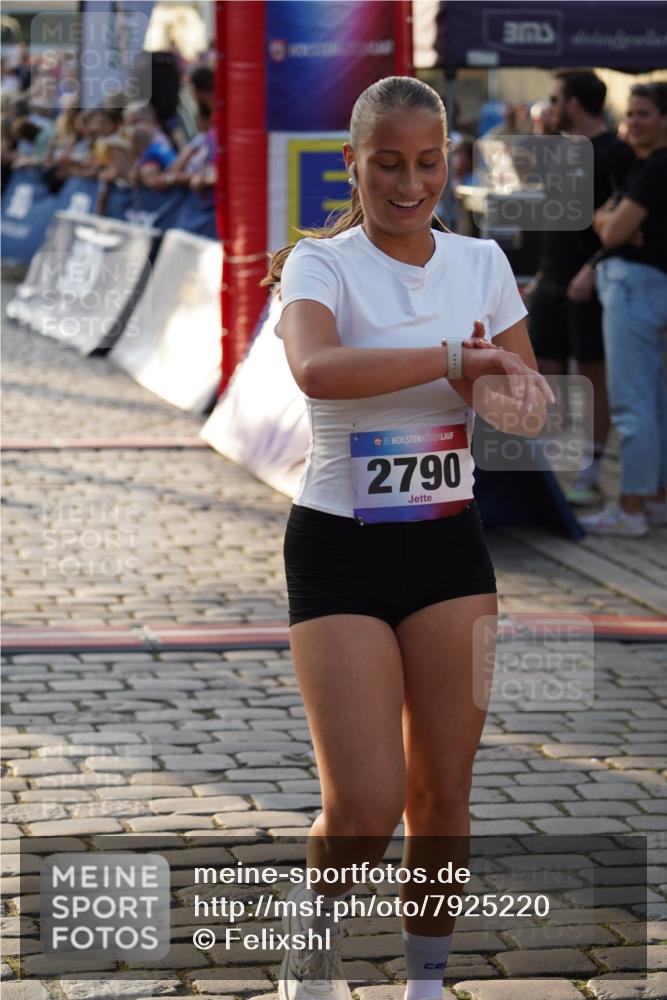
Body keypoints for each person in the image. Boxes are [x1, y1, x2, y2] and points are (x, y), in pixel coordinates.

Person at [262, 76, 553, 1000]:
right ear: (352, 163)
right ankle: (313, 947)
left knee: (441, 797)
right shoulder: (323, 264)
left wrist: (500, 391)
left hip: (448, 550)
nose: (408, 181)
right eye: (387, 162)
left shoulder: (481, 263)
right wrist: (448, 359)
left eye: (427, 163)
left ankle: (426, 985)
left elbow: (525, 406)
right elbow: (316, 369)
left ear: (447, 163)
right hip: (338, 544)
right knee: (364, 802)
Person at [527, 70, 635, 506]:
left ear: (573, 103)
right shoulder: (561, 150)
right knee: (545, 376)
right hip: (550, 281)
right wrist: (537, 277)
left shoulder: (615, 154)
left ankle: (589, 472)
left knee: (592, 377)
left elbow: (629, 225)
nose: (549, 108)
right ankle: (550, 469)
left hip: (591, 284)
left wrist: (593, 268)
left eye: (554, 99)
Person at [579, 82, 667, 537]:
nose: (631, 122)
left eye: (643, 114)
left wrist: (608, 219)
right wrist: (611, 219)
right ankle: (652, 500)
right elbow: (613, 223)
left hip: (634, 287)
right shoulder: (644, 166)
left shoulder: (653, 170)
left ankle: (630, 508)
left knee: (633, 403)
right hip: (648, 286)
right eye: (629, 113)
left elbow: (612, 232)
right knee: (655, 401)